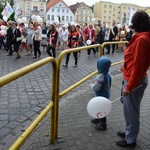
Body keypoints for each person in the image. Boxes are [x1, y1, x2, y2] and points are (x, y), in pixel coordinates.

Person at [116, 11, 150, 148]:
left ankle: (131, 140)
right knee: (129, 110)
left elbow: (137, 65)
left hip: (135, 81)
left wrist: (129, 86)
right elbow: (134, 62)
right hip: (133, 78)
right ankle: (129, 132)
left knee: (132, 112)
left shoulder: (142, 39)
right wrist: (125, 69)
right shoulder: (142, 37)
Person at [88, 56, 112, 130]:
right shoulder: (108, 74)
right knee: (99, 108)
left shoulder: (101, 76)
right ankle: (97, 119)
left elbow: (96, 88)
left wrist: (91, 86)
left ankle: (103, 124)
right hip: (106, 94)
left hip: (101, 96)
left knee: (100, 109)